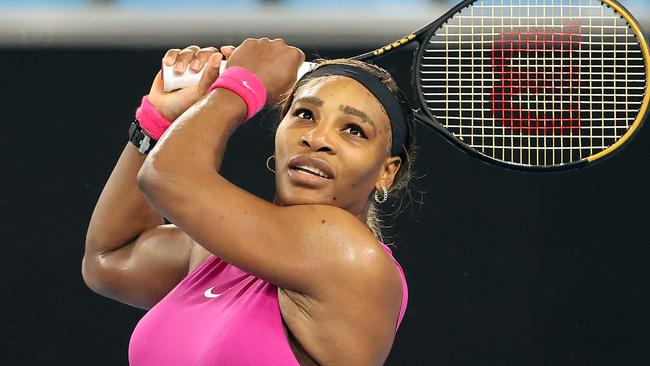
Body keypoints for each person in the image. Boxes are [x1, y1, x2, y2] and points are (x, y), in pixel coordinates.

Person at [83, 38, 415, 365]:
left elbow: (165, 176)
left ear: (387, 172)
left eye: (354, 130)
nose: (316, 139)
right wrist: (158, 121)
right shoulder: (220, 253)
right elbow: (110, 258)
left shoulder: (348, 257)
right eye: (305, 114)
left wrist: (242, 83)